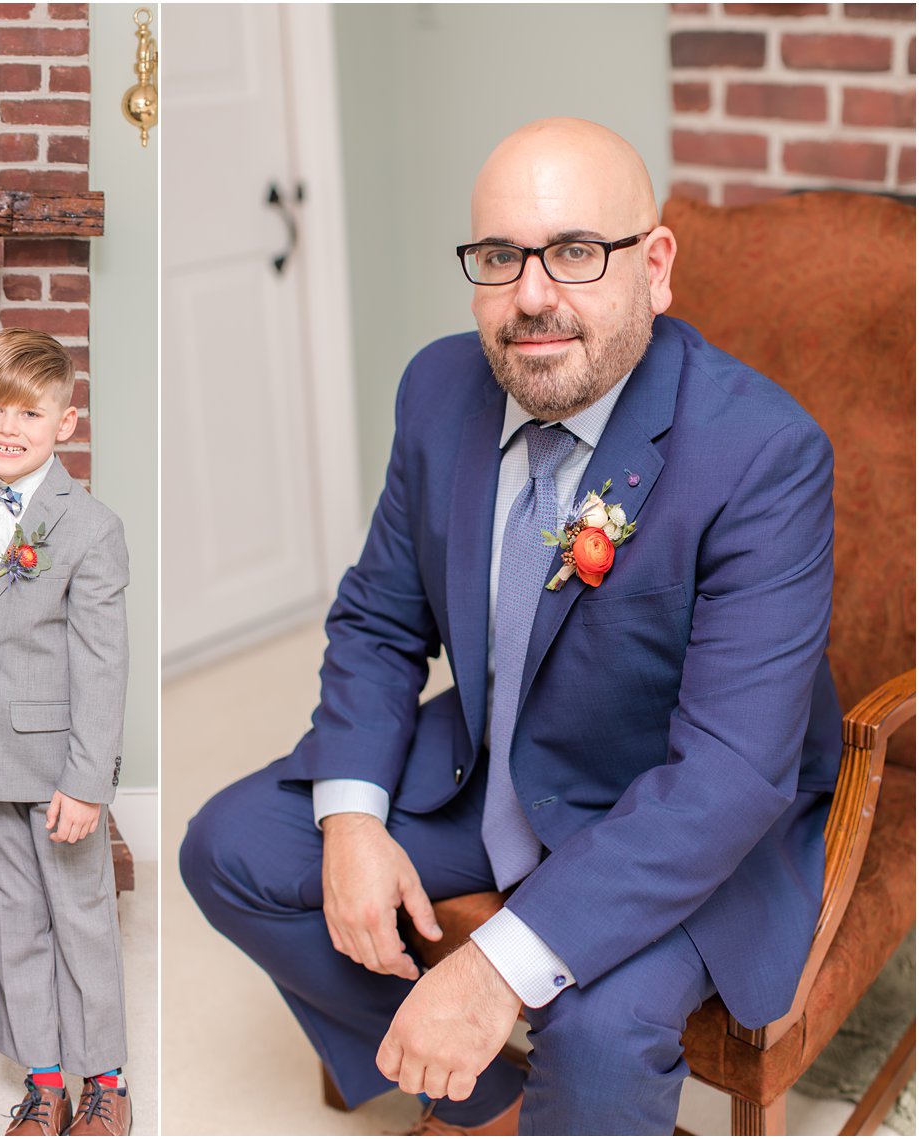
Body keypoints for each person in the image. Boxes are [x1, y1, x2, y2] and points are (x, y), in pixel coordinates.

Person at [180, 118, 840, 1136]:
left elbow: (726, 775)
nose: (531, 295)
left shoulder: (762, 453)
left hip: (682, 806)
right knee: (231, 845)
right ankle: (493, 1110)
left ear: (653, 267)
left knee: (599, 1025)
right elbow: (377, 618)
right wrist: (352, 817)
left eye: (575, 251)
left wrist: (493, 966)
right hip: (503, 751)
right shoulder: (436, 387)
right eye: (498, 257)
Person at [0, 328, 131, 1136]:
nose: (9, 428)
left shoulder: (89, 526)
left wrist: (87, 781)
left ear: (64, 425)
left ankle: (103, 1081)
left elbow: (103, 665)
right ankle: (43, 1080)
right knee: (12, 923)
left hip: (55, 770)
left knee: (81, 918)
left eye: (30, 415)